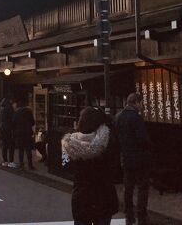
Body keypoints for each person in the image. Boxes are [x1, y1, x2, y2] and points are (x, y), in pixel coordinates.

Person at [62, 107, 119, 225]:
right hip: (104, 195)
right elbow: (115, 168)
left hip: (81, 197)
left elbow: (66, 166)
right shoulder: (107, 142)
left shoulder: (70, 144)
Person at [115, 93, 151, 225]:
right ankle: (141, 214)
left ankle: (128, 213)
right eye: (141, 103)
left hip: (125, 157)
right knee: (142, 187)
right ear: (135, 102)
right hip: (140, 158)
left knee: (128, 187)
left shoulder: (118, 117)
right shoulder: (136, 118)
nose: (142, 106)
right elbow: (143, 139)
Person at [12, 97, 35, 170]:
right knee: (28, 149)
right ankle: (30, 165)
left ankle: (21, 164)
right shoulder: (29, 112)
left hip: (19, 133)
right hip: (28, 133)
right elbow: (33, 122)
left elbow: (13, 122)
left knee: (21, 149)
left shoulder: (16, 113)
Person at [0, 96, 15, 167]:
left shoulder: (2, 108)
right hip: (8, 128)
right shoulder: (9, 108)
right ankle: (11, 161)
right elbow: (13, 118)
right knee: (11, 145)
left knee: (4, 145)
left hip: (2, 127)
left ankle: (5, 161)